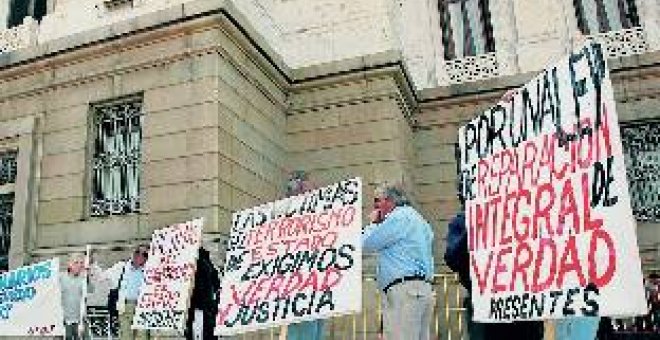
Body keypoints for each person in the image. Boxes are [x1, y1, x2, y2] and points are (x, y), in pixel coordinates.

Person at [362, 183, 434, 340]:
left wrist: (373, 223)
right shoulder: (419, 220)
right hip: (422, 289)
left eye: (377, 200)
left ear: (389, 201)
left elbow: (367, 243)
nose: (375, 206)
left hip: (404, 291)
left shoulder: (398, 217)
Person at [282, 170, 325, 340]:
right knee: (303, 331)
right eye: (310, 186)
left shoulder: (316, 213)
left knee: (315, 330)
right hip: (300, 283)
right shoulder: (289, 214)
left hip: (318, 282)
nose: (314, 190)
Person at [99, 245, 150, 340]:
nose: (141, 256)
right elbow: (102, 276)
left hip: (143, 306)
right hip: (125, 305)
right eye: (138, 252)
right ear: (134, 254)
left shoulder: (149, 270)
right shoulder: (122, 266)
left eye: (145, 254)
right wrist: (92, 266)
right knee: (126, 336)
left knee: (142, 336)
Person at [185, 247, 220, 340]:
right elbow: (217, 284)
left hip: (196, 304)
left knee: (196, 330)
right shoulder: (210, 266)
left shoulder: (194, 266)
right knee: (207, 330)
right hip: (206, 304)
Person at [60, 253, 92, 340]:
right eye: (76, 262)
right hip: (65, 321)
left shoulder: (83, 278)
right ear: (69, 264)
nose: (79, 265)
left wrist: (88, 277)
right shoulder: (60, 277)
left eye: (81, 263)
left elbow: (91, 291)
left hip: (80, 320)